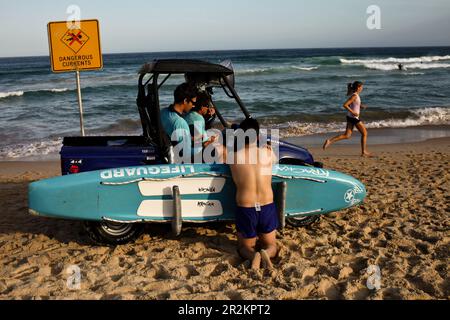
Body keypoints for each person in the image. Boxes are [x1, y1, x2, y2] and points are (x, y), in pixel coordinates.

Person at [228, 118, 279, 270]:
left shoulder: (233, 157)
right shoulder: (268, 155)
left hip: (247, 207)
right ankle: (267, 253)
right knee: (272, 245)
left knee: (244, 247)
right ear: (257, 136)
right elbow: (274, 161)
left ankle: (253, 255)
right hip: (266, 206)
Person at [323, 81, 373, 157]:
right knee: (365, 133)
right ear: (358, 87)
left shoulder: (355, 95)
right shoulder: (354, 96)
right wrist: (353, 112)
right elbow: (345, 105)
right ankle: (363, 152)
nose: (362, 88)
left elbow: (353, 104)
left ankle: (329, 141)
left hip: (350, 117)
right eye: (361, 87)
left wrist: (360, 106)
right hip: (353, 117)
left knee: (347, 135)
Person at [160, 83, 198, 159]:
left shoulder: (163, 112)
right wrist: (204, 147)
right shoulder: (180, 123)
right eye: (193, 103)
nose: (194, 106)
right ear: (185, 100)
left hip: (166, 149)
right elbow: (186, 154)